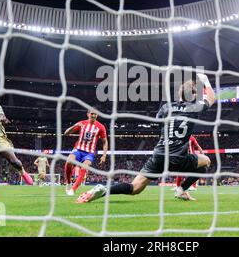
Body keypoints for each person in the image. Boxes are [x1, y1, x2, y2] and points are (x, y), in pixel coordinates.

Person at [76, 74, 215, 204]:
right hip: (178, 157)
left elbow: (159, 121)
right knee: (206, 161)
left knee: (134, 188)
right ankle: (181, 190)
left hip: (159, 155)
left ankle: (105, 189)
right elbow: (211, 99)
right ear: (194, 96)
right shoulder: (194, 108)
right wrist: (205, 81)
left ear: (179, 94)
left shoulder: (166, 108)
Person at [63, 108, 108, 196]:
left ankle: (73, 189)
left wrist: (104, 155)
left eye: (95, 114)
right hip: (78, 149)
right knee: (69, 162)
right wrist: (74, 125)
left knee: (84, 167)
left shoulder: (100, 127)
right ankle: (68, 184)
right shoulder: (82, 123)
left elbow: (105, 141)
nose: (93, 115)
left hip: (89, 153)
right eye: (92, 114)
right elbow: (66, 133)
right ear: (88, 114)